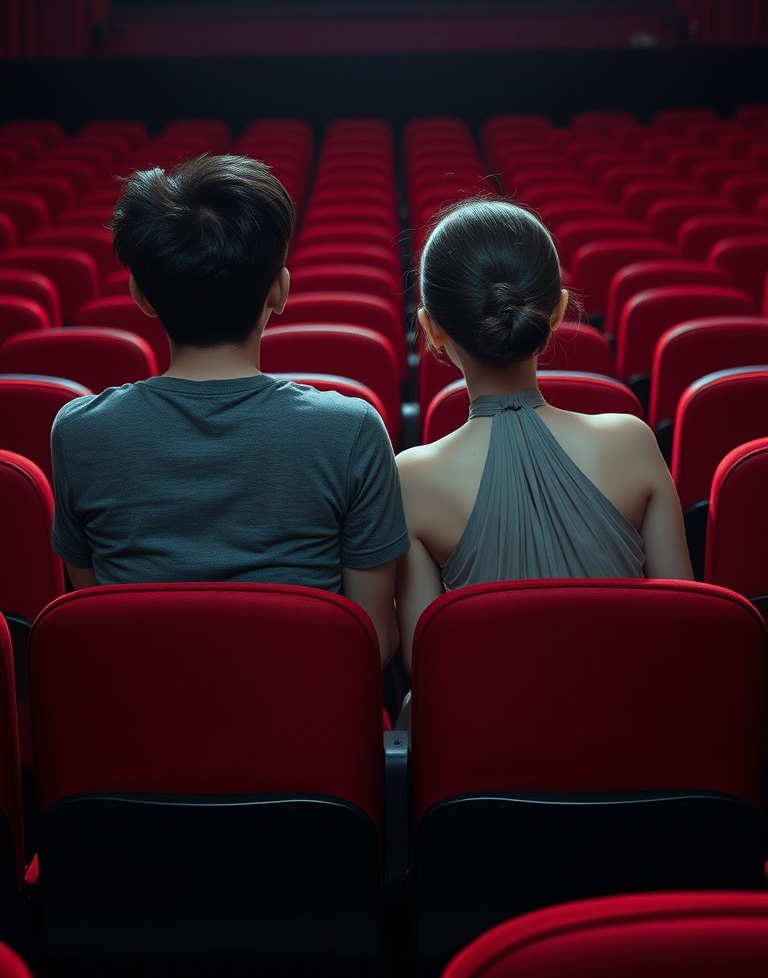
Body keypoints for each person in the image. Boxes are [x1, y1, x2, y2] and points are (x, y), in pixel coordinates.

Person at [51, 154, 408, 665]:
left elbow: (97, 615)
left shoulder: (79, 433)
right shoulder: (351, 431)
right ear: (280, 291)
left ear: (141, 296)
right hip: (307, 729)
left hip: (135, 733)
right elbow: (370, 644)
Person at [395, 197, 693, 672]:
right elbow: (687, 629)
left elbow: (427, 668)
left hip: (498, 741)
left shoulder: (411, 478)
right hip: (638, 736)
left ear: (431, 329)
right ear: (556, 312)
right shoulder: (632, 441)